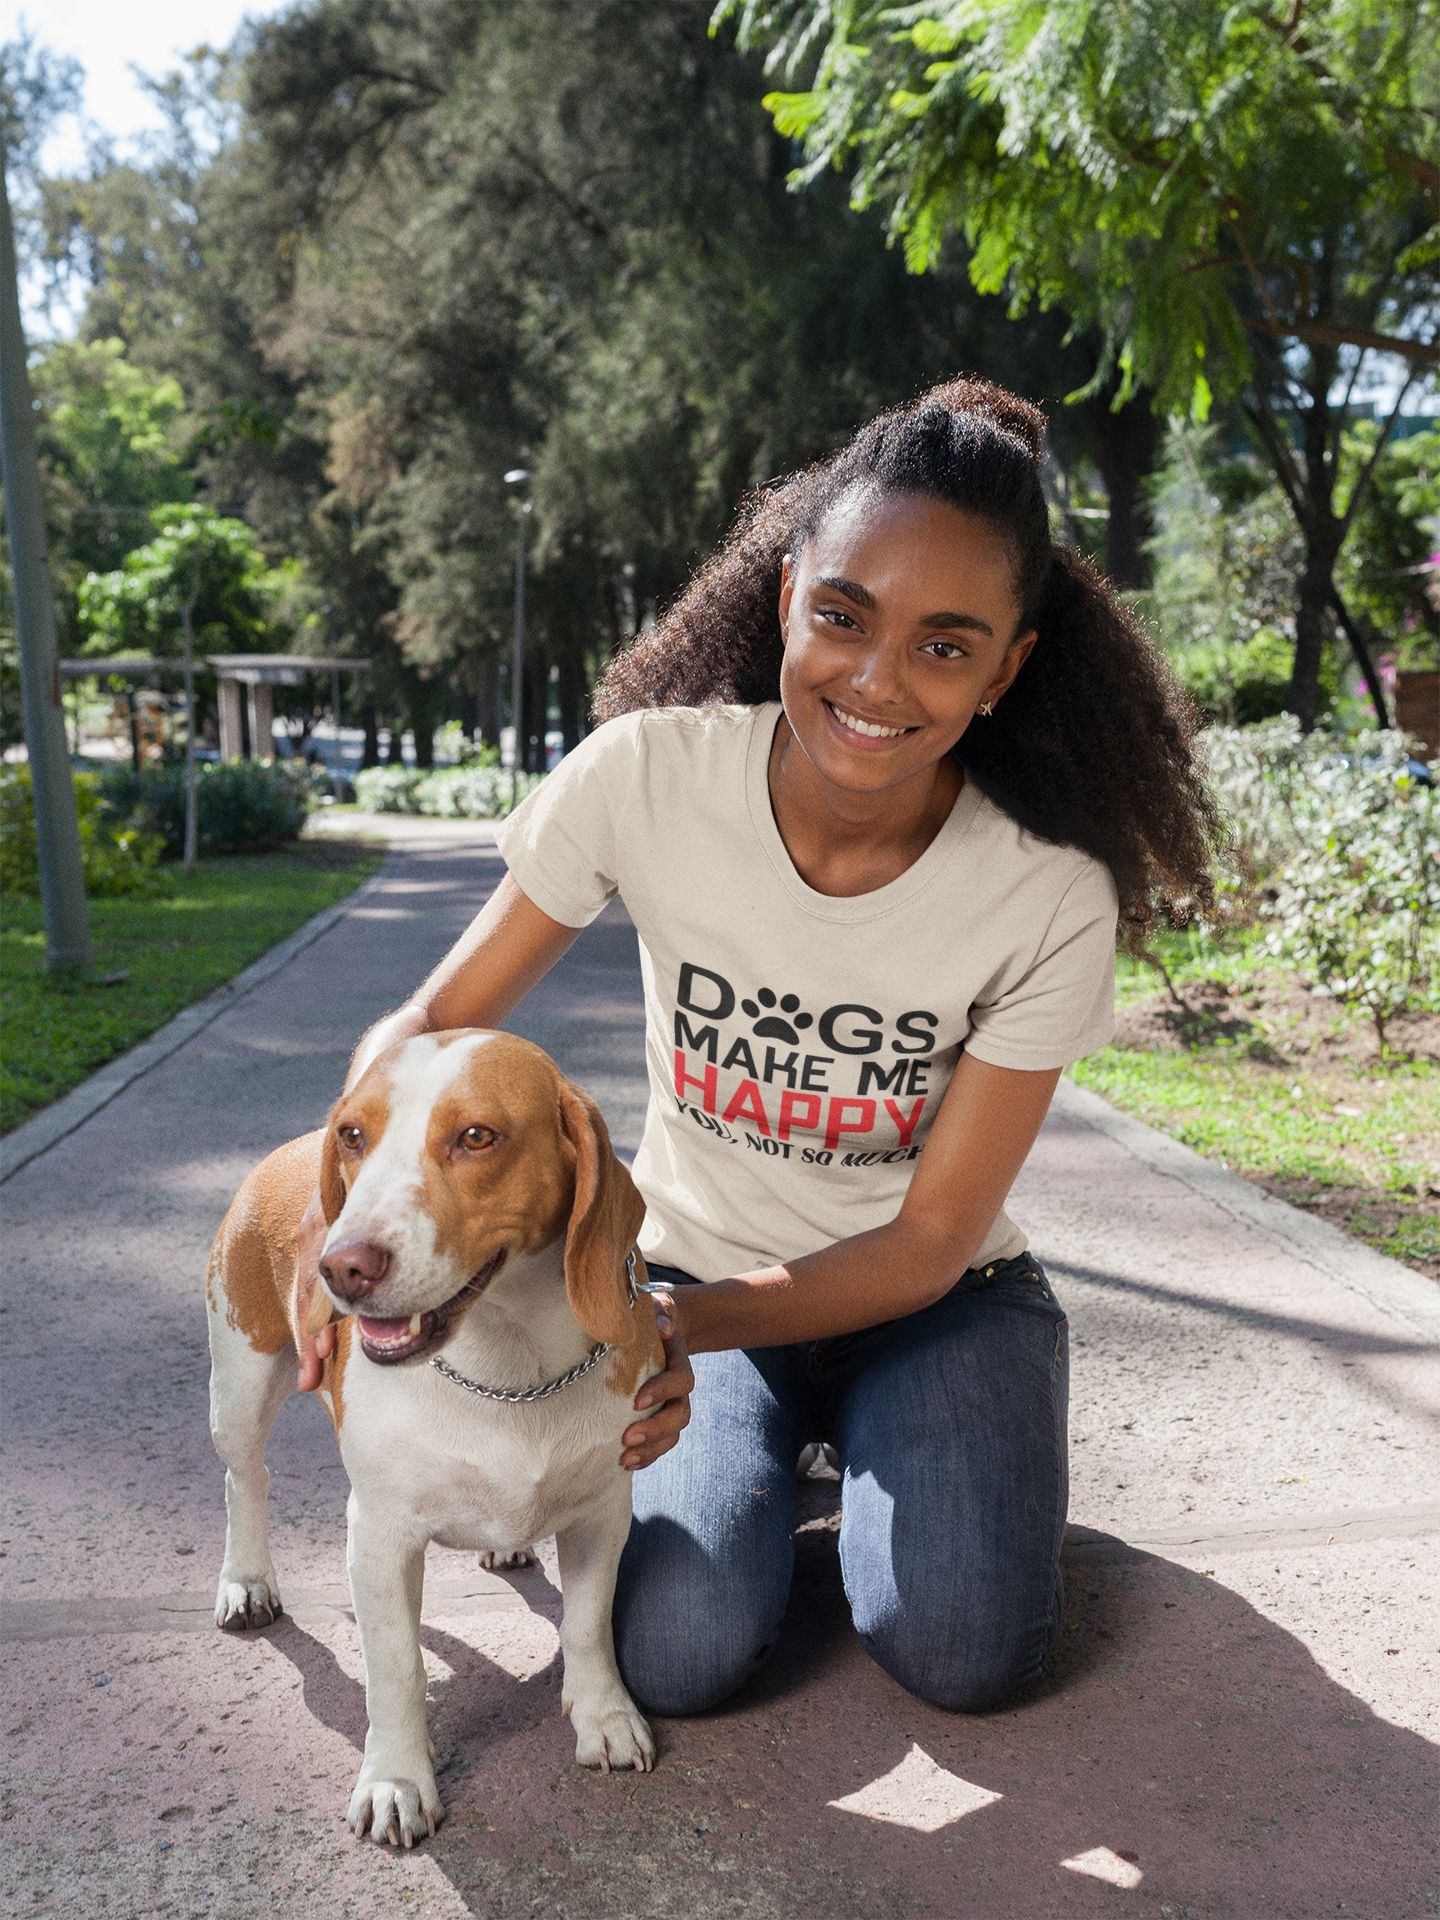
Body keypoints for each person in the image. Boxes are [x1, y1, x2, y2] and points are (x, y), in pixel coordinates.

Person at [298, 377, 1218, 1716]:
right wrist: (352, 1213)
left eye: (945, 647)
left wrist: (668, 1330)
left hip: (933, 1305)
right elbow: (430, 1027)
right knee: (675, 1654)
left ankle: (956, 1472)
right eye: (843, 615)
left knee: (965, 1650)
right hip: (692, 1275)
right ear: (787, 591)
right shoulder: (648, 776)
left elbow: (927, 1243)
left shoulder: (1044, 893)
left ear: (1010, 666)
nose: (876, 679)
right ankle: (799, 1464)